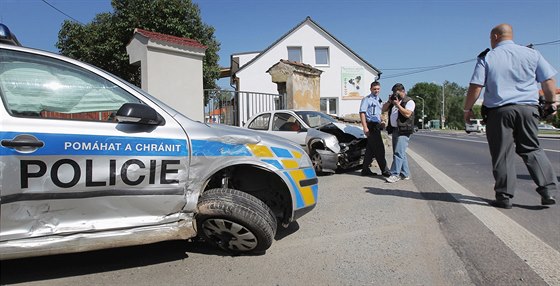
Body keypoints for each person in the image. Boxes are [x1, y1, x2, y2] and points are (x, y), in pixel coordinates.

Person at [464, 23, 558, 209]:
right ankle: (547, 190)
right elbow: (548, 80)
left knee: (503, 153)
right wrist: (550, 102)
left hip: (499, 112)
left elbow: (476, 86)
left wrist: (467, 110)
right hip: (528, 109)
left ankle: (504, 197)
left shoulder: (488, 57)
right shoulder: (532, 54)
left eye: (491, 38)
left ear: (495, 37)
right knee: (532, 149)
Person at [382, 83, 415, 183]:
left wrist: (398, 105)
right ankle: (405, 174)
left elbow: (407, 114)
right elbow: (383, 109)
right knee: (401, 153)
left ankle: (394, 174)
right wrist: (389, 101)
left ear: (403, 91)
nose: (395, 95)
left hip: (404, 130)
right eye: (393, 93)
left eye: (397, 93)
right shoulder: (394, 101)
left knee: (398, 153)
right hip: (395, 129)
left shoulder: (409, 101)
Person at [359, 81, 390, 177]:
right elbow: (362, 113)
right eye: (374, 89)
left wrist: (381, 121)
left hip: (376, 124)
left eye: (378, 89)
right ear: (371, 89)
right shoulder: (367, 99)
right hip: (370, 125)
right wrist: (365, 127)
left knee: (370, 149)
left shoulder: (378, 100)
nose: (376, 91)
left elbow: (380, 111)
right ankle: (385, 171)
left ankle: (365, 170)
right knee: (379, 149)